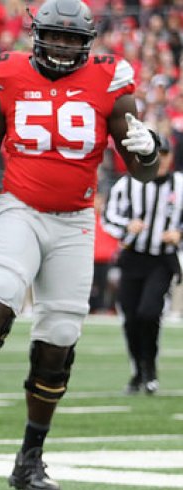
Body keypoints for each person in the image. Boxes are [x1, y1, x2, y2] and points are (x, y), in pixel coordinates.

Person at [0, 1, 162, 489]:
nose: (66, 46)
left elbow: (143, 169)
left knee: (58, 342)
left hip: (74, 221)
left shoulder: (111, 80)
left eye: (75, 39)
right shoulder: (5, 74)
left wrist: (150, 151)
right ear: (37, 34)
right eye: (58, 36)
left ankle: (30, 457)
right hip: (18, 209)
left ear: (88, 43)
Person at [103, 135, 179, 395]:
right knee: (130, 318)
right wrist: (127, 225)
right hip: (132, 256)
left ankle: (150, 368)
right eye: (158, 154)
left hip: (162, 259)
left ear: (171, 157)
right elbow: (108, 216)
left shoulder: (180, 185)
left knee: (149, 313)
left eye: (165, 154)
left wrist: (180, 234)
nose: (162, 159)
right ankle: (138, 371)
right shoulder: (128, 184)